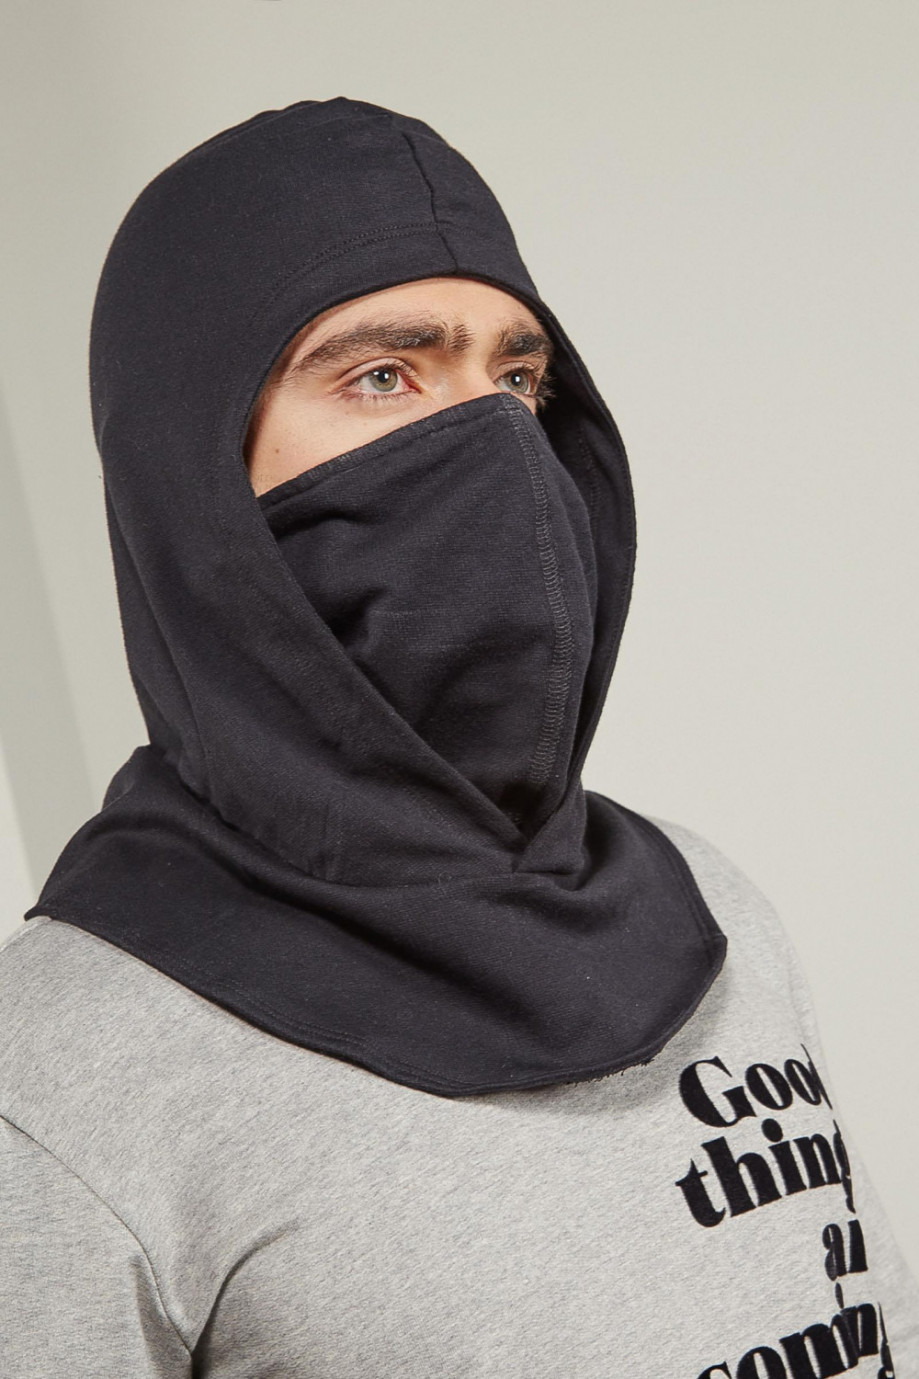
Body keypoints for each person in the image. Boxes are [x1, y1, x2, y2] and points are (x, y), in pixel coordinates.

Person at [0, 97, 916, 1378]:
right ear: (188, 473)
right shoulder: (58, 1086)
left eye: (517, 380)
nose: (494, 445)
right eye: (384, 375)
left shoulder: (705, 905)